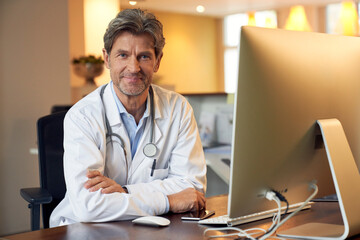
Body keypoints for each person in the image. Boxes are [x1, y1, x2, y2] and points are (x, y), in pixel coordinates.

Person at [50, 8, 207, 227]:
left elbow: (192, 188)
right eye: (122, 55)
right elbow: (89, 206)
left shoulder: (178, 108)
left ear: (158, 61)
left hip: (151, 227)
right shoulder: (83, 116)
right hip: (86, 228)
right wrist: (167, 199)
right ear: (107, 58)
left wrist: (123, 191)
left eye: (144, 56)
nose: (133, 68)